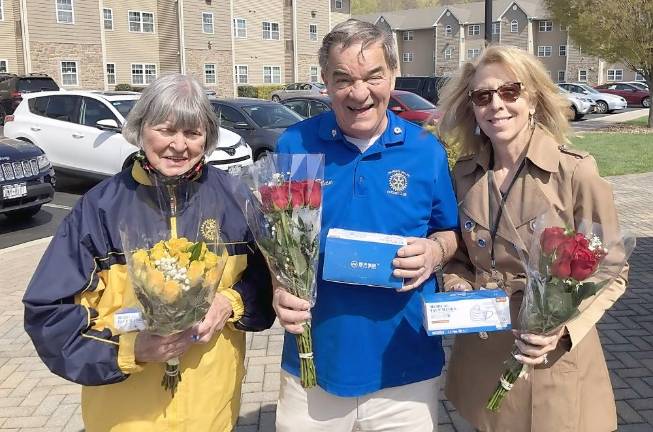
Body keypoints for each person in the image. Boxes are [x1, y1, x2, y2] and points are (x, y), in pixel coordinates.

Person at [23, 74, 275, 431]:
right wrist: (132, 349)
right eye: (165, 129)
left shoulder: (235, 199)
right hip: (126, 416)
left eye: (192, 133)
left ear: (208, 138)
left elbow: (267, 283)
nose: (178, 145)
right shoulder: (99, 209)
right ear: (141, 129)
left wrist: (229, 302)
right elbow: (48, 315)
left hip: (212, 410)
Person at [273, 19, 459, 432]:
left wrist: (435, 252)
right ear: (325, 81)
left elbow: (450, 233)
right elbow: (279, 237)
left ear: (392, 76)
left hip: (405, 365)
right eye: (343, 79)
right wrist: (278, 288)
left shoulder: (425, 150)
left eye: (373, 76)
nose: (359, 93)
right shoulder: (295, 145)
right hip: (313, 362)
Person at [437, 45, 629, 432]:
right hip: (483, 351)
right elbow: (458, 254)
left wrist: (566, 326)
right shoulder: (464, 174)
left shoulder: (574, 171)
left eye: (510, 91)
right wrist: (456, 282)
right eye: (483, 96)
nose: (496, 105)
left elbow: (612, 269)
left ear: (533, 99)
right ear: (472, 107)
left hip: (551, 355)